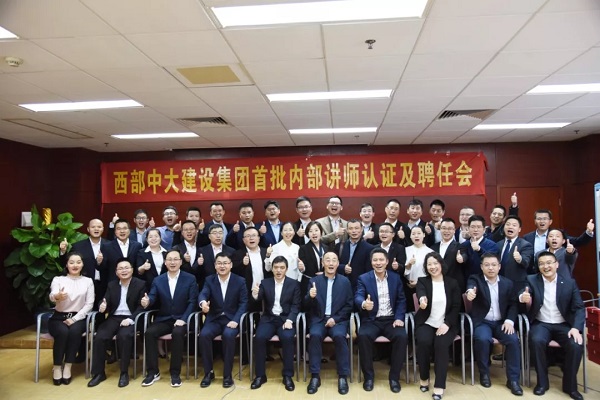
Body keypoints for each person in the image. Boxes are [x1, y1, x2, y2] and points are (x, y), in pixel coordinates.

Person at [519, 251, 584, 400]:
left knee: (575, 345)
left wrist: (576, 328)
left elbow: (579, 308)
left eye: (549, 263)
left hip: (564, 325)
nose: (545, 266)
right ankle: (542, 383)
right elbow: (523, 292)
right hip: (541, 323)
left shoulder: (569, 282)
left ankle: (570, 386)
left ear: (556, 264)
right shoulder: (531, 279)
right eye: (541, 264)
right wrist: (523, 297)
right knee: (536, 341)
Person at [466, 253, 522, 395]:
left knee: (513, 340)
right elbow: (471, 287)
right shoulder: (475, 279)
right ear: (481, 267)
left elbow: (513, 304)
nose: (490, 268)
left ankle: (513, 380)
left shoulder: (507, 283)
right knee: (482, 339)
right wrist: (470, 292)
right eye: (487, 265)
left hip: (501, 323)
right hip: (483, 322)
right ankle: (484, 373)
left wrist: (509, 321)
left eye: (493, 265)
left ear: (499, 267)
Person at [140, 249, 198, 388]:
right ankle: (153, 372)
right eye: (169, 260)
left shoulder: (190, 278)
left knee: (177, 333)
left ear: (181, 262)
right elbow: (153, 296)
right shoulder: (158, 280)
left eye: (175, 259)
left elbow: (192, 302)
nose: (172, 262)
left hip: (183, 319)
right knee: (149, 333)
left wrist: (184, 319)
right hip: (164, 319)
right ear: (165, 263)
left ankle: (175, 373)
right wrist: (147, 301)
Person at [355, 248, 407, 393]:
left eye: (381, 260)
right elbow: (358, 296)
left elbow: (401, 300)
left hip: (391, 320)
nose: (378, 263)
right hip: (372, 320)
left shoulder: (395, 278)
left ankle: (394, 378)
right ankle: (368, 377)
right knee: (363, 336)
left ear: (387, 262)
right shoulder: (364, 278)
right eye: (375, 260)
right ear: (371, 262)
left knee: (402, 336)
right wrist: (364, 304)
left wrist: (399, 318)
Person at [88, 258, 145, 388]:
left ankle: (124, 373)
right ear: (116, 272)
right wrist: (102, 306)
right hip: (114, 317)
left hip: (131, 318)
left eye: (126, 268)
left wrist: (130, 319)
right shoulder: (112, 285)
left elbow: (142, 306)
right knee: (100, 336)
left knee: (124, 336)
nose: (124, 271)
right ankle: (99, 373)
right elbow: (104, 301)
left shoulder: (140, 284)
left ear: (132, 270)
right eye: (120, 268)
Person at [303, 251, 353, 395]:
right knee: (314, 335)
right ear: (322, 263)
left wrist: (335, 319)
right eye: (328, 260)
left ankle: (342, 376)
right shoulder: (314, 281)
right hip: (318, 319)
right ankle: (315, 376)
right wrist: (310, 297)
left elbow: (349, 305)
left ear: (338, 264)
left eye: (334, 260)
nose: (331, 263)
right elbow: (306, 306)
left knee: (339, 336)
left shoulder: (345, 282)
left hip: (338, 320)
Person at [250, 256, 301, 391]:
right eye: (276, 267)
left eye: (282, 268)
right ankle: (260, 375)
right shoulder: (265, 283)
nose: (279, 270)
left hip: (285, 319)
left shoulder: (294, 284)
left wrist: (290, 320)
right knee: (259, 338)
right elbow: (258, 299)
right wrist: (255, 294)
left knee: (287, 338)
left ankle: (287, 375)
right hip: (269, 319)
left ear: (286, 269)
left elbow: (296, 305)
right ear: (272, 269)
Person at [415, 252, 461, 400]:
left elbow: (456, 306)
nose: (433, 267)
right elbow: (421, 293)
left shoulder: (452, 283)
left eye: (435, 263)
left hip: (447, 323)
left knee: (441, 345)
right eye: (429, 264)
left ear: (441, 264)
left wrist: (447, 323)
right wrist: (422, 300)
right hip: (427, 321)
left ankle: (439, 385)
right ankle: (424, 377)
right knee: (424, 342)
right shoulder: (422, 281)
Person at [198, 252, 248, 389]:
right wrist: (203, 303)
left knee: (228, 335)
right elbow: (203, 294)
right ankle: (208, 373)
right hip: (214, 319)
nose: (222, 266)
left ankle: (227, 375)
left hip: (232, 319)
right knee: (204, 335)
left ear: (231, 265)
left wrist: (236, 320)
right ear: (215, 265)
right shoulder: (209, 280)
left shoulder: (240, 281)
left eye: (225, 263)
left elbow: (244, 303)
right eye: (219, 263)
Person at [48, 252, 94, 385]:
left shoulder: (88, 281)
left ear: (82, 264)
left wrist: (74, 319)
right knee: (62, 332)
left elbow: (89, 304)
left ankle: (68, 366)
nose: (75, 265)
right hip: (58, 317)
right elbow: (52, 295)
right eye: (71, 262)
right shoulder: (58, 279)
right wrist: (57, 296)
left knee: (74, 332)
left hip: (78, 318)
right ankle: (57, 367)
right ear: (67, 265)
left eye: (78, 262)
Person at [59, 219, 108, 309]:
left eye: (99, 227)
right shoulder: (78, 246)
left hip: (104, 285)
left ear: (103, 229)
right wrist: (63, 251)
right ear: (88, 229)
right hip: (84, 284)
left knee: (102, 312)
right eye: (93, 227)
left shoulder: (109, 244)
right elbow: (66, 263)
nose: (96, 229)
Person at [495, 216, 533, 292]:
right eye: (508, 224)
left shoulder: (525, 245)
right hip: (499, 284)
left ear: (519, 229)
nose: (510, 227)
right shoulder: (498, 244)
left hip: (516, 285)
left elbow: (526, 262)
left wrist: (520, 259)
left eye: (514, 225)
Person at [335, 218, 375, 291]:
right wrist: (343, 268)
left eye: (356, 228)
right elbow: (333, 264)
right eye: (350, 228)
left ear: (362, 229)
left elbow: (370, 271)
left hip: (360, 286)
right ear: (347, 230)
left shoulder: (369, 248)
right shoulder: (340, 246)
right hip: (341, 285)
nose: (354, 231)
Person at [457, 215, 499, 280]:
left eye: (479, 227)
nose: (475, 230)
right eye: (473, 227)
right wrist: (461, 259)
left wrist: (479, 249)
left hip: (485, 281)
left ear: (484, 230)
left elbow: (490, 261)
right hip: (467, 281)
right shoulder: (464, 245)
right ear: (468, 228)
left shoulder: (492, 245)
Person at [431, 218, 465, 293]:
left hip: (455, 287)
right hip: (437, 286)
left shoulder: (460, 246)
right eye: (444, 228)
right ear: (440, 229)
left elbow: (464, 255)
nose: (446, 231)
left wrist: (462, 258)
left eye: (450, 229)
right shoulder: (433, 247)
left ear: (454, 230)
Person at [403, 225, 434, 310]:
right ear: (410, 236)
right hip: (407, 286)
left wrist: (418, 282)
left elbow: (432, 272)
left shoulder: (430, 252)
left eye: (419, 233)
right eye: (413, 234)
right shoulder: (405, 250)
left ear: (424, 235)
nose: (416, 236)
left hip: (424, 287)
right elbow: (402, 269)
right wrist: (409, 265)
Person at [297, 221, 330, 297]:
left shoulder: (326, 248)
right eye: (311, 231)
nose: (314, 233)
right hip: (309, 282)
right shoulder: (303, 248)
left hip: (324, 281)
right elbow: (303, 269)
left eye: (316, 230)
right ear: (307, 234)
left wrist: (325, 273)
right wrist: (302, 268)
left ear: (321, 232)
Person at [197, 224, 235, 289]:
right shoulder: (202, 251)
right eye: (215, 233)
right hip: (207, 286)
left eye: (220, 233)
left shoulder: (231, 251)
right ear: (209, 236)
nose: (218, 236)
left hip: (227, 285)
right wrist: (198, 264)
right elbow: (198, 272)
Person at [104, 219, 142, 283]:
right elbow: (103, 268)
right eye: (118, 229)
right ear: (115, 231)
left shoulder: (137, 246)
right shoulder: (107, 247)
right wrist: (99, 262)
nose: (122, 231)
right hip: (113, 283)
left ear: (129, 230)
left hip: (133, 283)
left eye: (125, 228)